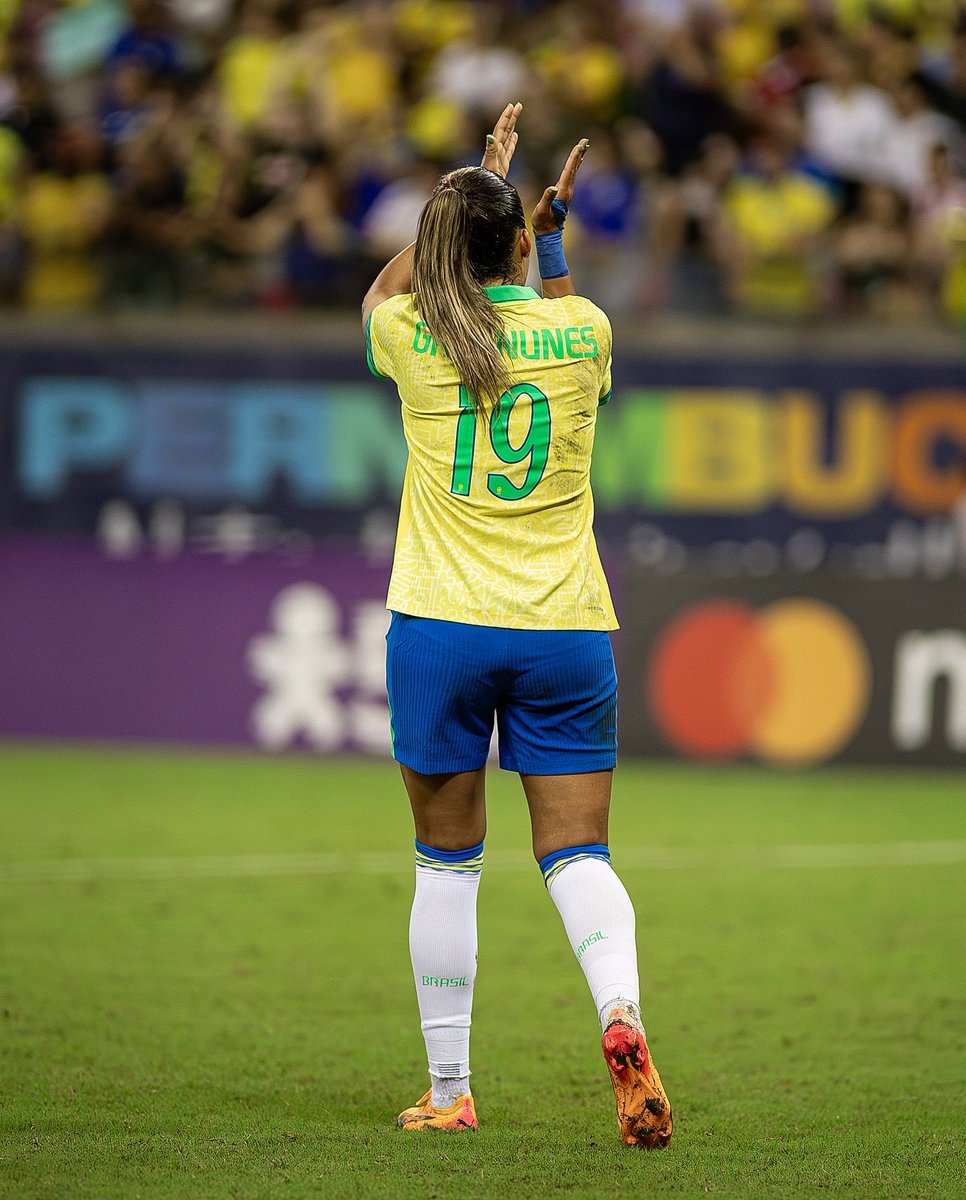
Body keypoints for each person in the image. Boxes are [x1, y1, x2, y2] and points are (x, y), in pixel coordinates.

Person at [361, 102, 672, 1149]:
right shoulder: (581, 328)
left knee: (446, 864)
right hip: (564, 629)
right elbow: (553, 322)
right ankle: (621, 1018)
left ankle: (450, 1089)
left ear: (446, 246)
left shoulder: (413, 334)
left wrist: (465, 189)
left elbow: (385, 290)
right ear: (523, 252)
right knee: (579, 854)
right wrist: (545, 238)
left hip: (441, 627)